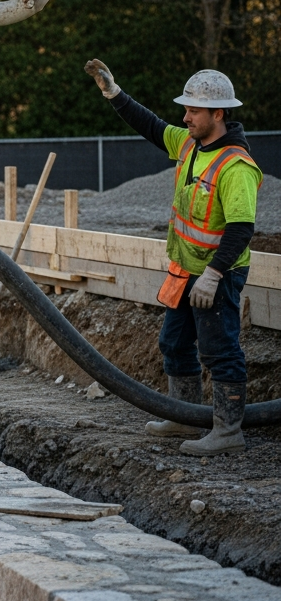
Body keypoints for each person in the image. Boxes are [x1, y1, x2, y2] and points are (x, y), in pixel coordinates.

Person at [85, 61, 260, 456]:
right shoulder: (188, 143)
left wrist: (214, 275)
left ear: (218, 114)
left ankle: (228, 430)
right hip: (186, 271)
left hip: (218, 274)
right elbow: (150, 125)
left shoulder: (236, 166)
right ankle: (184, 414)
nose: (185, 117)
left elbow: (241, 229)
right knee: (175, 344)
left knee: (219, 350)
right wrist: (114, 94)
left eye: (193, 111)